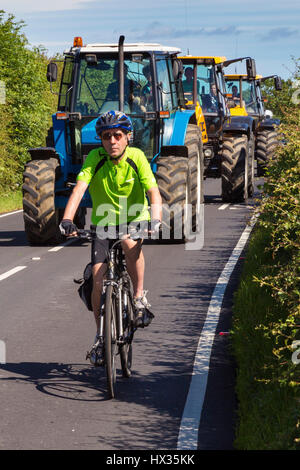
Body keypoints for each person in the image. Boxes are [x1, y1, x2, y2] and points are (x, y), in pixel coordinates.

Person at [59, 110, 162, 360]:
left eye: (117, 135)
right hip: (103, 224)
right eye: (106, 136)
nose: (112, 141)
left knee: (129, 243)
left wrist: (156, 218)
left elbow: (153, 192)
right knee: (97, 278)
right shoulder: (95, 158)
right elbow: (79, 189)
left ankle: (138, 296)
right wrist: (67, 218)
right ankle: (100, 337)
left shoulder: (137, 157)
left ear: (128, 137)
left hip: (134, 218)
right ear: (101, 140)